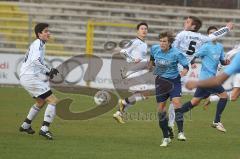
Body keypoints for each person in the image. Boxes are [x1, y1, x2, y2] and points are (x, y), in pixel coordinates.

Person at [167, 16, 233, 128]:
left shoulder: (182, 34)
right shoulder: (201, 38)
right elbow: (214, 36)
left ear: (193, 26)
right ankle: (216, 121)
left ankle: (173, 118)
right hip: (191, 73)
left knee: (193, 101)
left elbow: (171, 47)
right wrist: (226, 28)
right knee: (223, 95)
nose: (185, 23)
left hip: (177, 68)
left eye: (187, 22)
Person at [178, 26, 230, 132]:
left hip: (207, 80)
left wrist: (226, 62)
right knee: (224, 96)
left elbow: (222, 61)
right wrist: (192, 63)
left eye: (216, 33)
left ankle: (178, 112)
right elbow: (194, 55)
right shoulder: (205, 46)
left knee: (195, 102)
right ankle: (216, 121)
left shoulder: (220, 47)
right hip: (207, 79)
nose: (214, 35)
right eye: (211, 33)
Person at [19, 23, 59, 140]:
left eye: (48, 31)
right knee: (53, 101)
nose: (49, 33)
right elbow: (35, 61)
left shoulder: (40, 44)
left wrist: (47, 72)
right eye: (46, 31)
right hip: (30, 78)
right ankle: (44, 129)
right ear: (39, 34)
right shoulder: (38, 44)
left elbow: (35, 62)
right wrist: (48, 70)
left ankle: (26, 125)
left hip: (27, 77)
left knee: (41, 102)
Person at [150, 31, 189, 147]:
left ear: (170, 42)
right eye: (161, 41)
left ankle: (181, 132)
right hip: (161, 82)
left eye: (164, 41)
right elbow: (151, 61)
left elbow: (186, 67)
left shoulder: (176, 53)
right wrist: (150, 66)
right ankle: (165, 137)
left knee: (177, 103)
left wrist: (181, 74)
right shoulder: (155, 49)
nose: (162, 43)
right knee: (161, 109)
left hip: (174, 81)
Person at [113, 22, 152, 124]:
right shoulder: (134, 42)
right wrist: (133, 59)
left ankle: (119, 113)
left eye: (146, 29)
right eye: (142, 29)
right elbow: (123, 52)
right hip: (132, 72)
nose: (144, 30)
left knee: (135, 98)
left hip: (137, 72)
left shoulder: (144, 44)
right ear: (137, 31)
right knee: (145, 94)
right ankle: (122, 102)